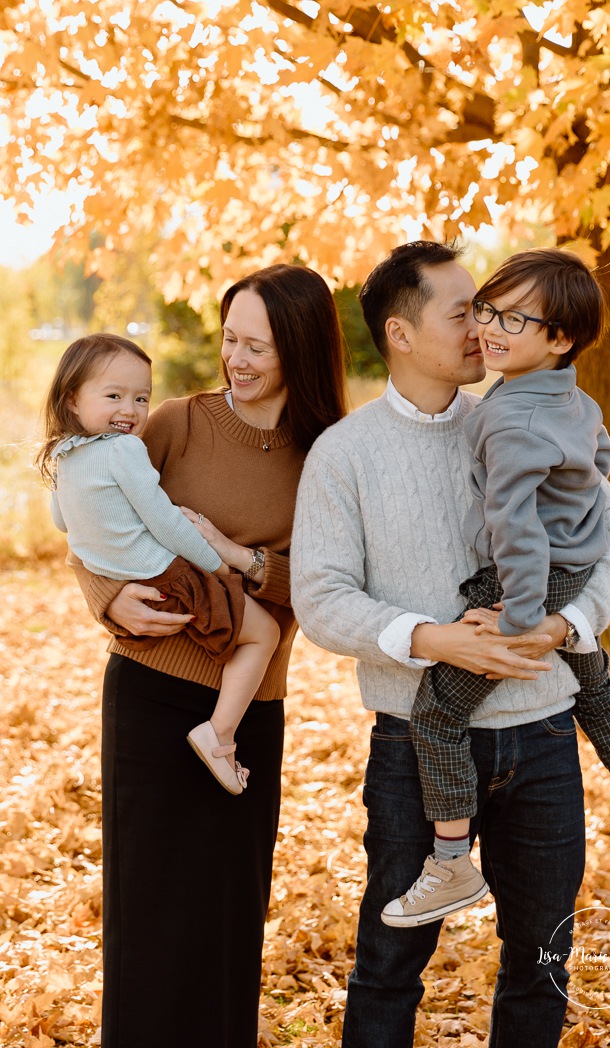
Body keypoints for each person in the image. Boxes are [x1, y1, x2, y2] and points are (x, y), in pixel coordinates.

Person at [291, 241, 610, 1048]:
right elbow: (318, 599)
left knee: (542, 960)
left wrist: (563, 624)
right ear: (400, 333)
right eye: (465, 312)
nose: (483, 328)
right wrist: (437, 641)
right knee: (388, 962)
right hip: (413, 746)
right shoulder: (345, 454)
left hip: (544, 736)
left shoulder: (519, 417)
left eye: (490, 310)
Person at [60, 265, 347, 1048]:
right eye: (229, 339)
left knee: (225, 914)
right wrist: (105, 597)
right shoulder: (175, 422)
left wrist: (243, 559)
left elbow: (327, 585)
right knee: (146, 910)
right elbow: (89, 514)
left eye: (257, 346)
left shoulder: (328, 454)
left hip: (246, 707)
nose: (235, 360)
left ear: (299, 350)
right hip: (149, 692)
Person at [384, 248, 610, 928]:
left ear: (560, 338)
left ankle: (451, 862)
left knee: (437, 713)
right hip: (573, 571)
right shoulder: (572, 399)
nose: (490, 328)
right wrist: (576, 522)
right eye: (488, 310)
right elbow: (599, 458)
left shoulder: (508, 419)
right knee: (597, 693)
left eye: (514, 320)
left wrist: (519, 618)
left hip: (523, 582)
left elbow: (515, 528)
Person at [38, 332, 282, 796]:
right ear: (72, 398)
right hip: (172, 577)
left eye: (141, 398)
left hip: (137, 591)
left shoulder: (63, 455)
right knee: (264, 634)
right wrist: (218, 566)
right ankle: (220, 735)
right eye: (114, 396)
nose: (130, 410)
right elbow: (165, 521)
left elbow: (62, 522)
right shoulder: (125, 450)